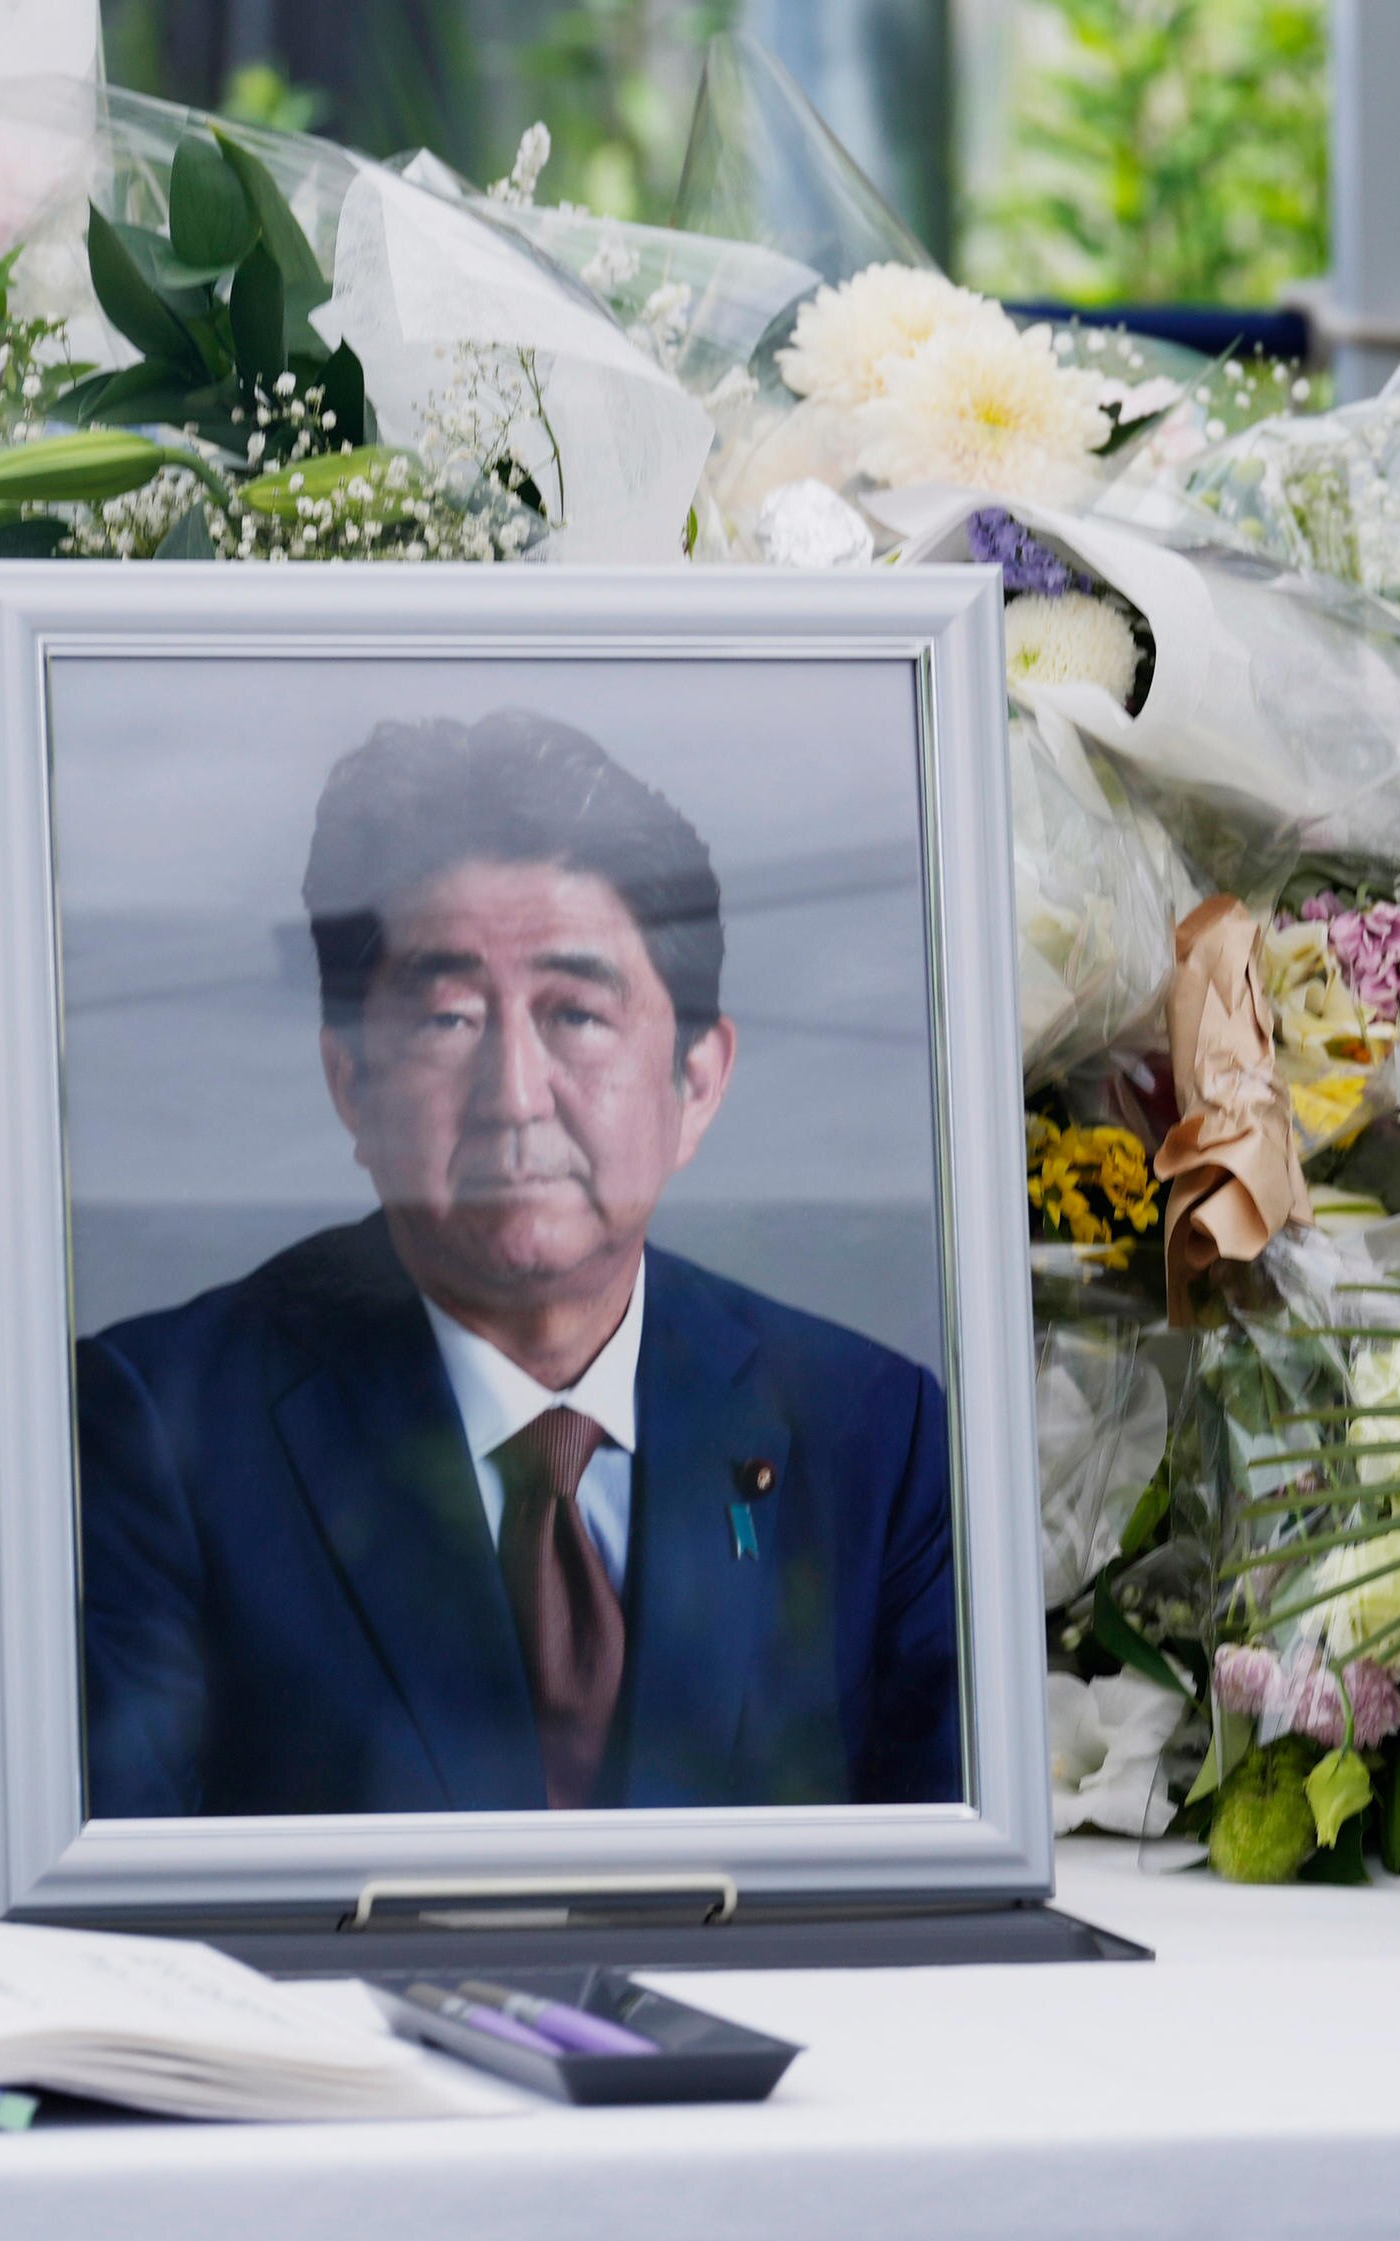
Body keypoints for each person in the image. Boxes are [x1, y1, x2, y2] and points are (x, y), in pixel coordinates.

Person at [78, 706, 961, 1818]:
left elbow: (949, 1893)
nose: (514, 1095)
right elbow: (127, 1896)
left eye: (576, 1015)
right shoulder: (161, 1428)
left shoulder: (873, 1438)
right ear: (351, 1083)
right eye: (448, 1019)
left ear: (695, 1083)